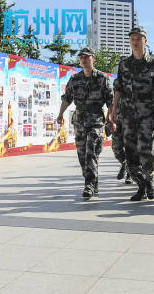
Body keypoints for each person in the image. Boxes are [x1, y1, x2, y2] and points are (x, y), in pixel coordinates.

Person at [108, 27, 154, 201]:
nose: (135, 41)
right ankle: (141, 185)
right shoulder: (124, 64)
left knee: (146, 151)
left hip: (147, 113)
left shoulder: (153, 62)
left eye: (139, 38)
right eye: (132, 39)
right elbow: (118, 89)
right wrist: (113, 111)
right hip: (127, 115)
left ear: (145, 41)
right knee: (131, 153)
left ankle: (150, 179)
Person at [57, 47, 114, 199]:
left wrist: (111, 119)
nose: (83, 59)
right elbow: (67, 98)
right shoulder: (75, 79)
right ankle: (92, 181)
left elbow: (111, 102)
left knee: (91, 153)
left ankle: (89, 184)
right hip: (79, 121)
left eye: (86, 57)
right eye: (81, 57)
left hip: (96, 121)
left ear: (93, 58)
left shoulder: (102, 78)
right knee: (82, 156)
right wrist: (60, 113)